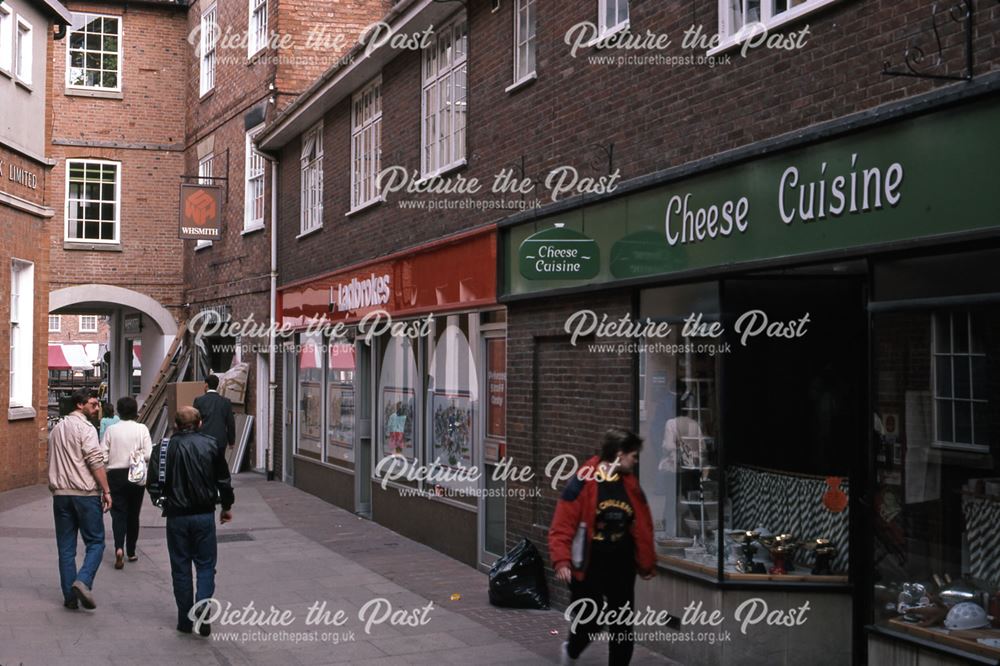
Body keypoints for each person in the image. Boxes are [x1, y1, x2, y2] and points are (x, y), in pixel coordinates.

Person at [548, 428, 666, 666]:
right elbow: (563, 523)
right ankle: (572, 650)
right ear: (619, 455)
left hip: (621, 561)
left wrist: (646, 561)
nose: (636, 460)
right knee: (590, 621)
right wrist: (561, 560)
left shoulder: (630, 485)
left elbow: (643, 525)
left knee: (622, 624)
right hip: (590, 561)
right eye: (633, 455)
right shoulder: (584, 480)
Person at [148, 406, 234, 636]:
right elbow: (223, 480)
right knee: (206, 566)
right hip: (204, 514)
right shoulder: (211, 444)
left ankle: (185, 620)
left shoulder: (163, 448)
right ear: (199, 424)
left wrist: (160, 501)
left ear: (175, 425)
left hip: (176, 517)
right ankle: (203, 607)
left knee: (181, 568)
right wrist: (226, 506)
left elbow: (153, 482)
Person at [48, 389, 112, 611]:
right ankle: (83, 580)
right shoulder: (86, 428)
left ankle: (70, 597)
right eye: (93, 404)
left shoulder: (55, 430)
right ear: (79, 405)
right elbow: (95, 461)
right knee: (96, 542)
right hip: (84, 495)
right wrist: (106, 490)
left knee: (66, 548)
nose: (96, 409)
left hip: (61, 495)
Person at [101, 396, 153, 568]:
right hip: (136, 474)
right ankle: (131, 551)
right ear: (135, 410)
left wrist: (111, 463)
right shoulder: (142, 429)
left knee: (118, 513)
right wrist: (135, 455)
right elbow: (148, 454)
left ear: (119, 411)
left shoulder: (111, 430)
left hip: (115, 475)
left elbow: (103, 456)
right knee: (133, 514)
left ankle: (118, 548)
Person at [193, 374, 236, 455]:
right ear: (217, 385)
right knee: (218, 465)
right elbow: (230, 423)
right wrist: (231, 441)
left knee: (204, 464)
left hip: (203, 439)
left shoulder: (199, 401)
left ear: (206, 385)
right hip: (220, 440)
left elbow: (194, 421)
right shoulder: (226, 402)